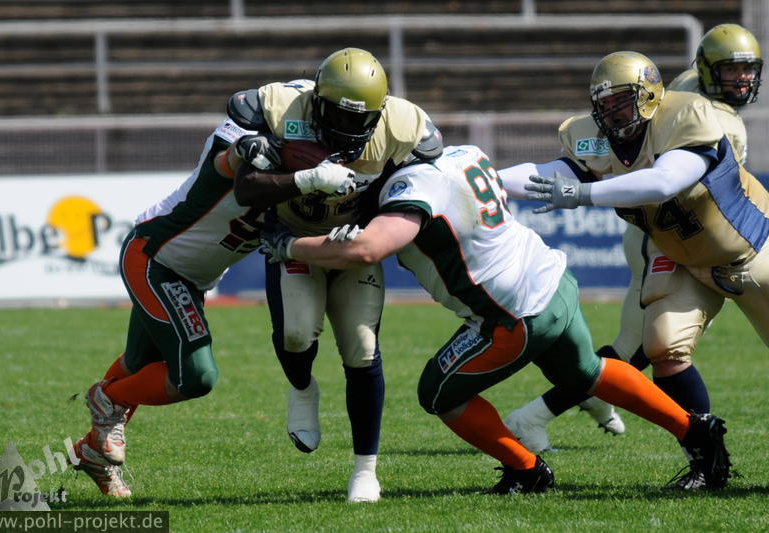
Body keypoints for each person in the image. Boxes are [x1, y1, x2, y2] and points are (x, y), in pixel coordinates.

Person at [259, 144, 732, 493]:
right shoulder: (463, 153)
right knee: (586, 371)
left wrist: (289, 245)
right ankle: (696, 429)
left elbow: (366, 249)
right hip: (554, 282)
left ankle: (526, 469)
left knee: (437, 393)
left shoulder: (414, 185)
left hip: (511, 314)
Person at [502, 24, 764, 457]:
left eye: (746, 70)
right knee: (652, 346)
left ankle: (548, 411)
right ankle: (701, 455)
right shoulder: (665, 110)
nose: (740, 79)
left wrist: (583, 194)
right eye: (730, 69)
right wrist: (482, 180)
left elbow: (666, 181)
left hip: (733, 240)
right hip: (667, 241)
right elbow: (563, 173)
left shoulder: (689, 111)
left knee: (633, 349)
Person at [72, 111, 359, 497]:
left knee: (138, 364)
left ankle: (93, 451)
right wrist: (264, 159)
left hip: (191, 277)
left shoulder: (297, 184)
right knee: (195, 376)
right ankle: (107, 398)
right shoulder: (250, 149)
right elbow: (227, 161)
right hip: (156, 259)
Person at [224, 47, 443, 502]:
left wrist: (376, 220)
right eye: (337, 114)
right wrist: (304, 178)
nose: (346, 127)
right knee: (296, 334)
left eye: (357, 118)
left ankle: (366, 470)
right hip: (294, 237)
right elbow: (246, 188)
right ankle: (302, 388)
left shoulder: (402, 125)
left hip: (353, 243)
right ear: (317, 101)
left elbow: (422, 175)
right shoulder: (284, 109)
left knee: (362, 349)